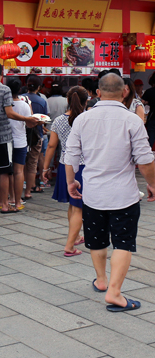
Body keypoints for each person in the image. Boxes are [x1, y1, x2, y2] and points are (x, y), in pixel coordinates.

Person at [65, 73, 155, 312]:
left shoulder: (83, 119)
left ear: (98, 93)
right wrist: (153, 184)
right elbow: (145, 160)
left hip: (93, 193)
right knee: (123, 243)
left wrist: (71, 182)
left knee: (97, 239)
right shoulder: (132, 120)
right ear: (125, 91)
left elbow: (71, 155)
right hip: (123, 194)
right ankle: (115, 292)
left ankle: (102, 281)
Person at [0, 62, 38, 213]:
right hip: (3, 136)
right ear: (1, 73)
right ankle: (5, 205)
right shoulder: (5, 89)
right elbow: (9, 113)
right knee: (4, 171)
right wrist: (27, 119)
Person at [43, 87, 88, 257]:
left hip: (64, 165)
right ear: (86, 100)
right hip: (83, 166)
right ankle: (70, 246)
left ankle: (75, 237)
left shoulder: (58, 121)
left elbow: (52, 146)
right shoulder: (86, 119)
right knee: (78, 208)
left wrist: (45, 168)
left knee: (73, 205)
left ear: (67, 100)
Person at [6, 80, 32, 211]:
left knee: (7, 172)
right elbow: (29, 124)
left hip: (6, 141)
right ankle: (17, 201)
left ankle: (9, 198)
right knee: (19, 171)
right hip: (21, 141)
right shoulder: (25, 105)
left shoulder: (4, 104)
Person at [23, 75, 49, 198]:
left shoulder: (21, 99)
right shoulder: (42, 101)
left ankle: (22, 184)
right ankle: (30, 188)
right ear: (39, 87)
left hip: (22, 134)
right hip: (36, 135)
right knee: (33, 163)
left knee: (22, 162)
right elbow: (44, 119)